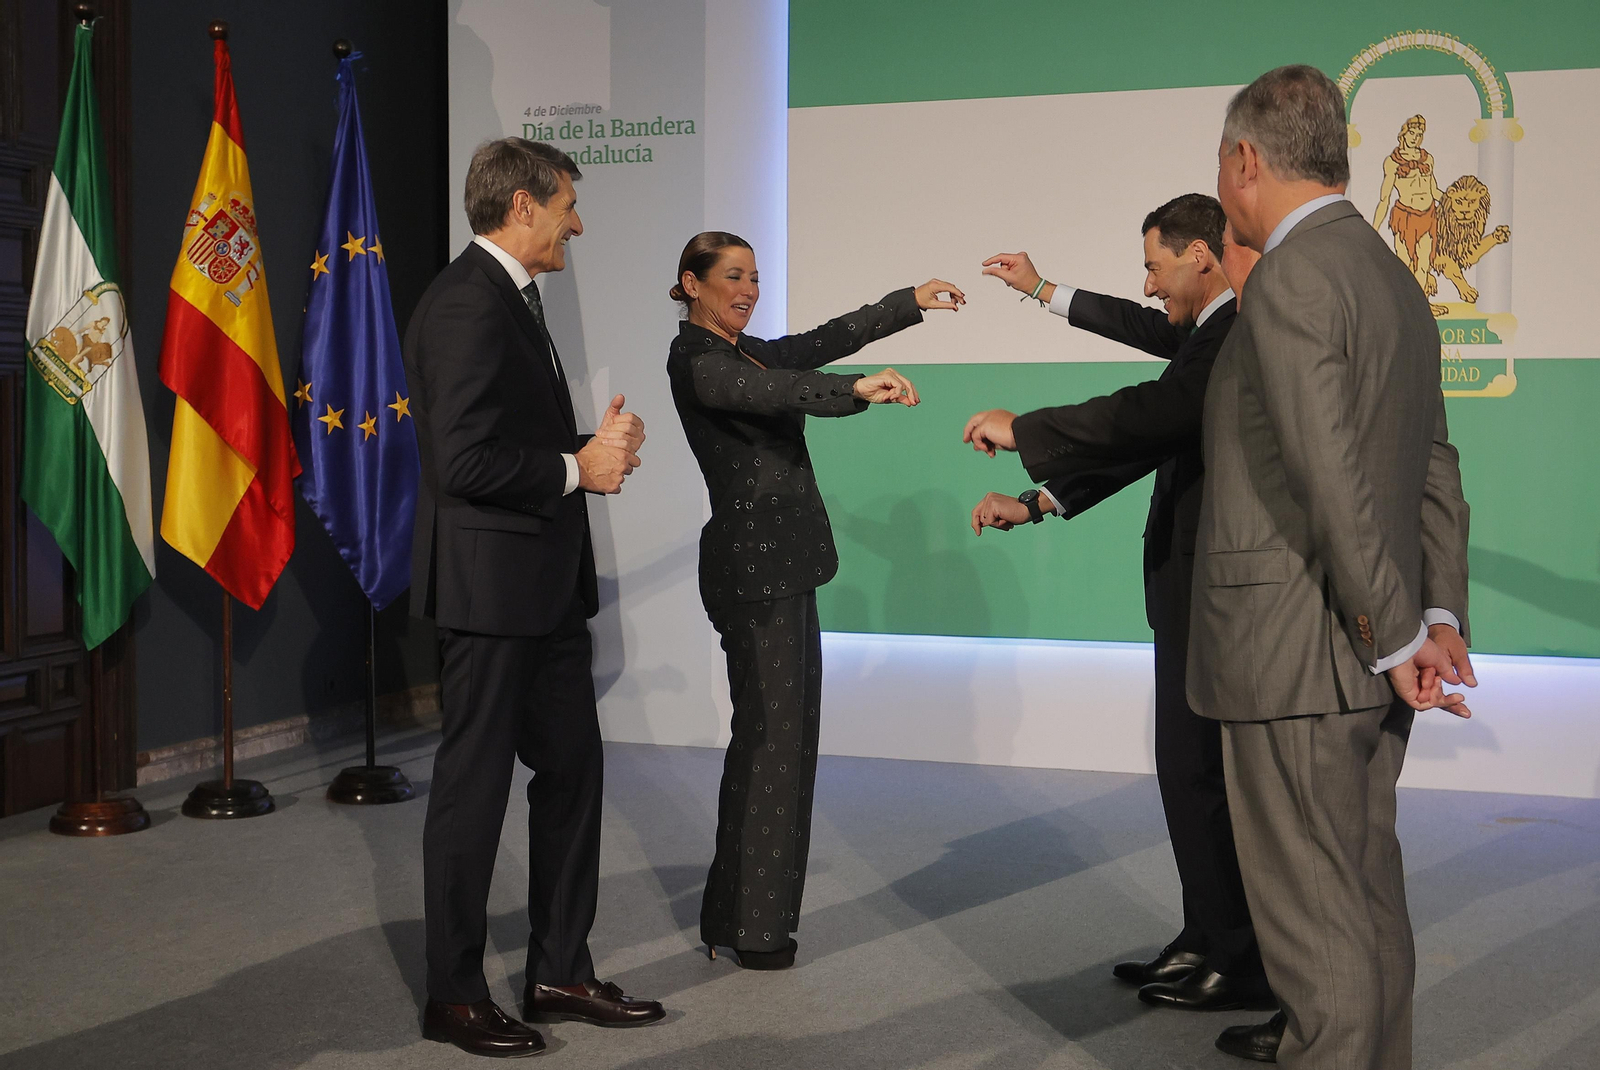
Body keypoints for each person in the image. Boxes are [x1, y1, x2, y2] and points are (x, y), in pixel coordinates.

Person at [1197, 66, 1474, 1068]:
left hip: (1298, 654)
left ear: (1244, 161)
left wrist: (1396, 629)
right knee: (1361, 903)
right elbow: (1429, 467)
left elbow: (1328, 474)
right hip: (1362, 646)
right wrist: (1435, 613)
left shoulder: (1291, 276)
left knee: (1318, 939)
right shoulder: (1394, 277)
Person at [964, 198, 1273, 1013]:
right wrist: (1037, 503)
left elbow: (1153, 415)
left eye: (1154, 266)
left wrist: (1025, 426)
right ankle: (1208, 936)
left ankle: (1236, 957)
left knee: (1200, 772)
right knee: (1188, 771)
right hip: (1192, 589)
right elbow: (1156, 414)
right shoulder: (1208, 330)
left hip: (1218, 594)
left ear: (1202, 256)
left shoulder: (1238, 329)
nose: (1144, 284)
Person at [404, 137, 663, 1058]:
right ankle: (454, 995)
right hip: (489, 593)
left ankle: (558, 970)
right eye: (567, 207)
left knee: (574, 773)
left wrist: (590, 447)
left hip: (543, 590)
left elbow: (505, 437)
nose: (577, 224)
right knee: (472, 796)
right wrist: (573, 465)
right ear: (523, 205)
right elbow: (464, 461)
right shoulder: (465, 302)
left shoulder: (511, 296)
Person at [666, 230, 964, 970]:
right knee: (774, 743)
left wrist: (907, 303)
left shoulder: (744, 349)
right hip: (753, 572)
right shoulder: (699, 362)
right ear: (691, 283)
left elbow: (818, 341)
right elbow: (776, 391)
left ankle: (736, 919)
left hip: (786, 566)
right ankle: (755, 930)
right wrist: (854, 391)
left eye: (755, 277)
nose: (748, 289)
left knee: (778, 740)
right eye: (732, 277)